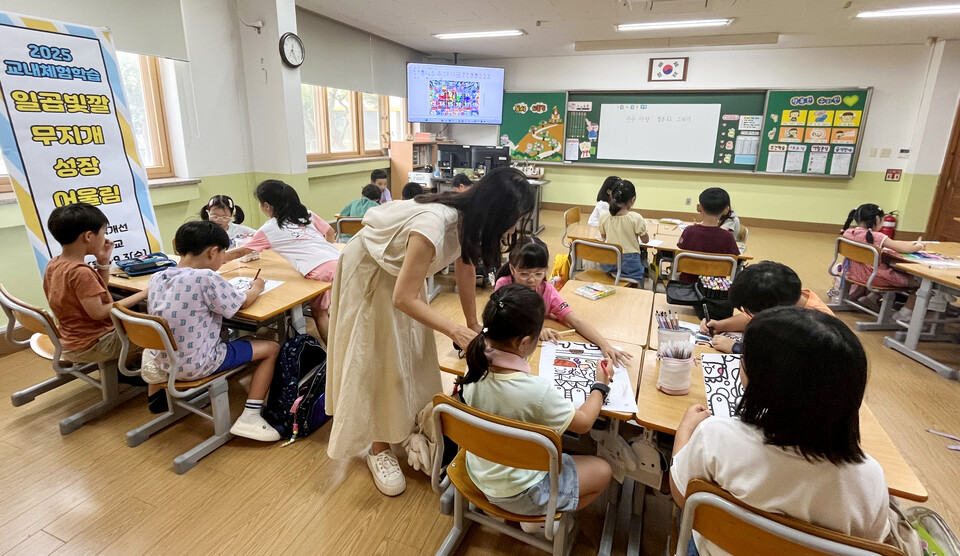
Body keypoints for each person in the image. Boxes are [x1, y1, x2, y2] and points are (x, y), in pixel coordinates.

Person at [325, 166, 535, 497]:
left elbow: (465, 267)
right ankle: (377, 448)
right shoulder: (434, 224)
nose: (513, 226)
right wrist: (454, 329)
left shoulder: (469, 220)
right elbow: (403, 298)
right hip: (371, 273)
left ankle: (401, 421)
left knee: (410, 352)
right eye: (514, 217)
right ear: (498, 212)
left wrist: (470, 325)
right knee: (378, 357)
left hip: (399, 276)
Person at [670, 307, 890, 556]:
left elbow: (682, 496)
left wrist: (685, 430)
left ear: (762, 380)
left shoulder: (716, 435)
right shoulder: (870, 477)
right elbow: (872, 546)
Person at [459, 285, 612, 523]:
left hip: (480, 470)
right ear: (525, 342)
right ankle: (540, 522)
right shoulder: (536, 391)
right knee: (604, 470)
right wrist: (600, 385)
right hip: (521, 492)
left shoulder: (474, 363)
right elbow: (583, 424)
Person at [146, 221, 281, 441]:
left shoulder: (157, 278)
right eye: (223, 254)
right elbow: (243, 303)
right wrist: (258, 286)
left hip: (162, 362)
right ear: (213, 252)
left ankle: (157, 399)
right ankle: (251, 415)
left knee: (241, 338)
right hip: (196, 364)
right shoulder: (205, 278)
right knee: (271, 347)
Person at [226, 180, 341, 342]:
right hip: (341, 262)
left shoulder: (270, 228)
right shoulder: (306, 214)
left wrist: (213, 259)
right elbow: (329, 232)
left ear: (266, 205)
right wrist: (324, 252)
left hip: (321, 271)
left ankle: (336, 361)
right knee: (342, 311)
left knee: (320, 313)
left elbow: (241, 252)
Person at [494, 237, 631, 367]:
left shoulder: (547, 291)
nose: (532, 280)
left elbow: (576, 321)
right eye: (524, 274)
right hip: (510, 349)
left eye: (539, 273)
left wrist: (605, 345)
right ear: (512, 269)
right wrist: (535, 330)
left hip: (537, 351)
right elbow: (500, 321)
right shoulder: (504, 285)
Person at [43, 203, 148, 364]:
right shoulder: (80, 272)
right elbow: (99, 312)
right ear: (88, 236)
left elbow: (98, 292)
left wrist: (103, 262)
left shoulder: (55, 263)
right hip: (95, 345)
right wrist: (145, 292)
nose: (105, 238)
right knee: (161, 334)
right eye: (103, 233)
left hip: (71, 341)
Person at [699, 261, 834, 353]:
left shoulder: (817, 327)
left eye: (751, 311)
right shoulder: (785, 294)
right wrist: (721, 325)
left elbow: (784, 359)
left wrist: (737, 348)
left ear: (770, 311)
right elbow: (749, 318)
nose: (750, 315)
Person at [842, 203, 924, 321]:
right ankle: (905, 314)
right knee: (919, 283)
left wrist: (906, 243)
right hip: (874, 276)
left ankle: (871, 298)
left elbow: (894, 244)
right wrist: (919, 245)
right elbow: (906, 250)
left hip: (852, 272)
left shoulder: (848, 233)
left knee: (887, 269)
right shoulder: (878, 237)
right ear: (877, 219)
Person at [676, 188, 740, 283]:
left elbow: (681, 251)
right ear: (726, 210)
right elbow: (734, 259)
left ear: (699, 207)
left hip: (687, 287)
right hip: (714, 288)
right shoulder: (728, 237)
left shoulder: (689, 231)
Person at [598, 180, 649, 284]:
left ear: (611, 197)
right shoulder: (636, 218)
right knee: (644, 263)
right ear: (633, 199)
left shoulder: (604, 216)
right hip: (629, 266)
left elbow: (603, 236)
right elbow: (646, 240)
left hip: (608, 263)